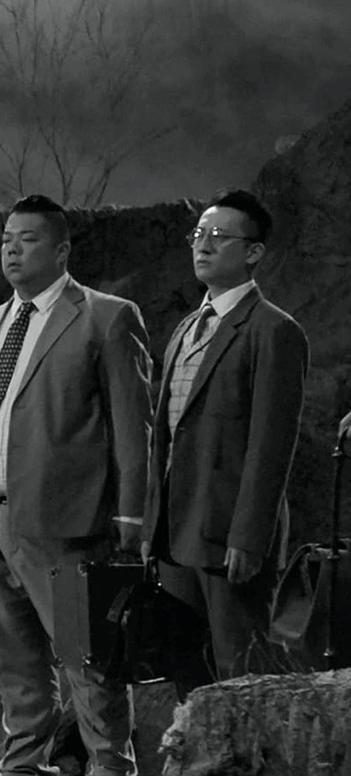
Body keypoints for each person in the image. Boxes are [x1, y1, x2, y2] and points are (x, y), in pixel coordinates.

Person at [0, 196, 151, 776]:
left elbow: (132, 425)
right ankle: (25, 767)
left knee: (86, 650)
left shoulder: (105, 318)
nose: (11, 249)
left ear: (60, 250)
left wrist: (132, 517)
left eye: (27, 240)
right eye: (7, 239)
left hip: (65, 514)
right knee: (12, 655)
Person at [142, 189, 309, 686]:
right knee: (185, 669)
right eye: (199, 235)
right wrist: (152, 526)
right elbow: (165, 440)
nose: (204, 245)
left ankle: (252, 767)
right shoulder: (185, 330)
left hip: (225, 535)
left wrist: (249, 536)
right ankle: (200, 764)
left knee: (241, 674)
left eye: (219, 236)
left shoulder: (273, 331)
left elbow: (271, 445)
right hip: (175, 534)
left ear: (254, 252)